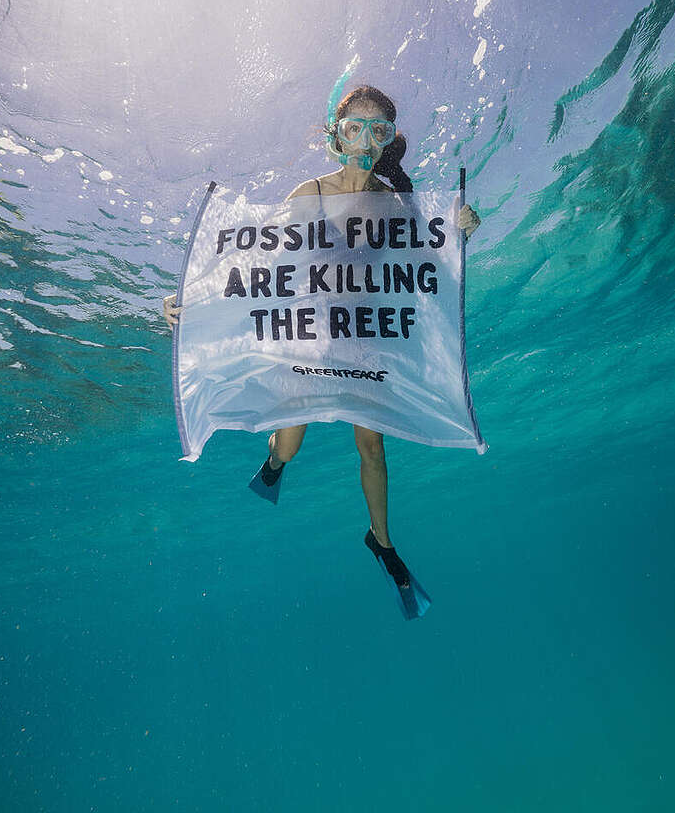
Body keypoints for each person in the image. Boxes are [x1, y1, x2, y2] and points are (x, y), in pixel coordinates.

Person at [164, 85, 480, 616]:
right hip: (309, 331)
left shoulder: (395, 203)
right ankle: (273, 464)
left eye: (378, 129)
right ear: (336, 136)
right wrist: (188, 299)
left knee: (373, 448)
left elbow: (433, 258)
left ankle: (382, 542)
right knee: (290, 445)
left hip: (367, 336)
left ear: (386, 140)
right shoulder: (309, 193)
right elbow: (252, 256)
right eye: (355, 127)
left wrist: (463, 230)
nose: (366, 139)